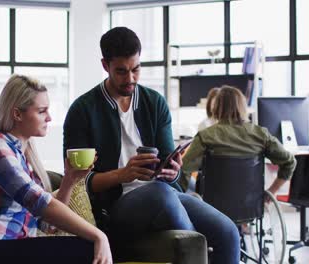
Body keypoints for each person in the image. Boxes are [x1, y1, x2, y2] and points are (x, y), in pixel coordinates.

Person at [63, 27, 240, 264]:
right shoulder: (82, 110)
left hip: (165, 194)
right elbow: (78, 181)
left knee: (228, 232)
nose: (130, 78)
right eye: (121, 71)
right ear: (105, 65)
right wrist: (123, 175)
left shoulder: (154, 102)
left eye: (136, 69)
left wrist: (173, 170)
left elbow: (169, 163)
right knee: (162, 194)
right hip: (115, 208)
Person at [0, 74, 112, 264]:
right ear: (17, 114)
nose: (49, 117)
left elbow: (47, 224)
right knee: (88, 249)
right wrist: (98, 235)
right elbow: (41, 203)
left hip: (8, 247)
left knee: (86, 248)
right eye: (42, 111)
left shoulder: (23, 156)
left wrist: (69, 179)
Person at [179, 85, 297, 197]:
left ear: (216, 107)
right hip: (251, 207)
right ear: (243, 107)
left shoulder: (205, 136)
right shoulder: (261, 134)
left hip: (213, 209)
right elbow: (289, 162)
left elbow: (183, 169)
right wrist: (271, 192)